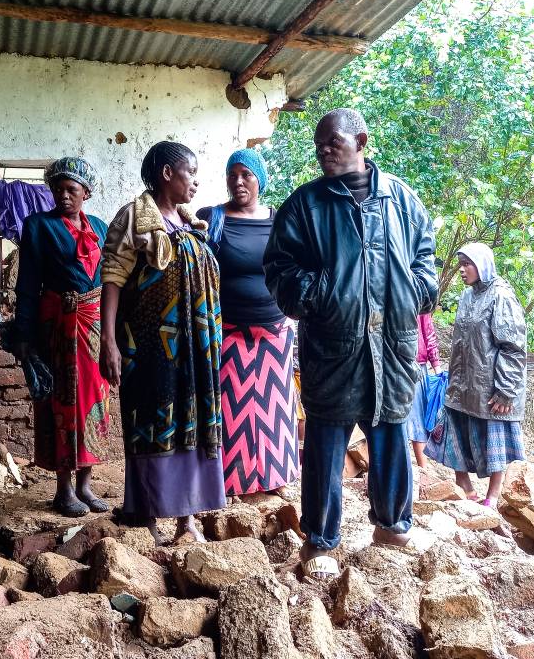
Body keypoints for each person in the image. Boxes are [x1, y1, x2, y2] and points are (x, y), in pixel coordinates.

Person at [264, 108, 438, 579]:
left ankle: (393, 527)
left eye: (332, 143)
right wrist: (321, 294)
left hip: (393, 345)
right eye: (319, 145)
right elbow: (279, 269)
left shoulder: (401, 199)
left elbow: (426, 259)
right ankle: (320, 542)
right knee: (324, 444)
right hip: (333, 345)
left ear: (362, 140)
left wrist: (415, 292)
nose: (323, 152)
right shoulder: (305, 205)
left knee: (391, 438)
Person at [100, 141, 225, 543]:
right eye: (190, 172)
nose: (196, 181)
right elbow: (113, 278)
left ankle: (188, 520)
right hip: (149, 348)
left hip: (193, 352)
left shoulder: (191, 224)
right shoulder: (134, 220)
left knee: (190, 420)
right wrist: (109, 342)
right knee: (151, 424)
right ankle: (149, 516)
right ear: (168, 174)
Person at [198, 149, 300, 497]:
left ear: (260, 179)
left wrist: (292, 312)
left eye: (247, 174)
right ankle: (228, 482)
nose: (238, 181)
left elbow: (296, 268)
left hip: (274, 332)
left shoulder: (279, 220)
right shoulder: (211, 218)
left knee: (276, 410)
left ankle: (275, 480)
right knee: (230, 408)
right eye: (232, 174)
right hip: (229, 332)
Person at [13, 157, 111, 517]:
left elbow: (109, 281)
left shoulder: (100, 227)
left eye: (71, 189)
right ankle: (63, 489)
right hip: (59, 327)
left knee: (94, 402)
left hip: (94, 327)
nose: (63, 196)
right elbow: (28, 285)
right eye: (58, 189)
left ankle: (86, 485)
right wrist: (24, 334)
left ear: (86, 192)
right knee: (63, 403)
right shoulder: (38, 226)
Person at [427, 242, 527, 508]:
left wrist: (506, 390)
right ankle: (465, 486)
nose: (462, 270)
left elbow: (513, 347)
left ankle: (492, 497)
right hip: (464, 383)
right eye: (460, 264)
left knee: (495, 439)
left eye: (467, 264)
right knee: (454, 431)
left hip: (491, 386)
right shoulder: (468, 296)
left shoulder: (501, 296)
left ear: (482, 265)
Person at [406, 313, 444, 468]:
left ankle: (423, 471)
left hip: (416, 365)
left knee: (417, 422)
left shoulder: (420, 292)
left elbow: (428, 331)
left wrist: (437, 368)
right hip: (391, 363)